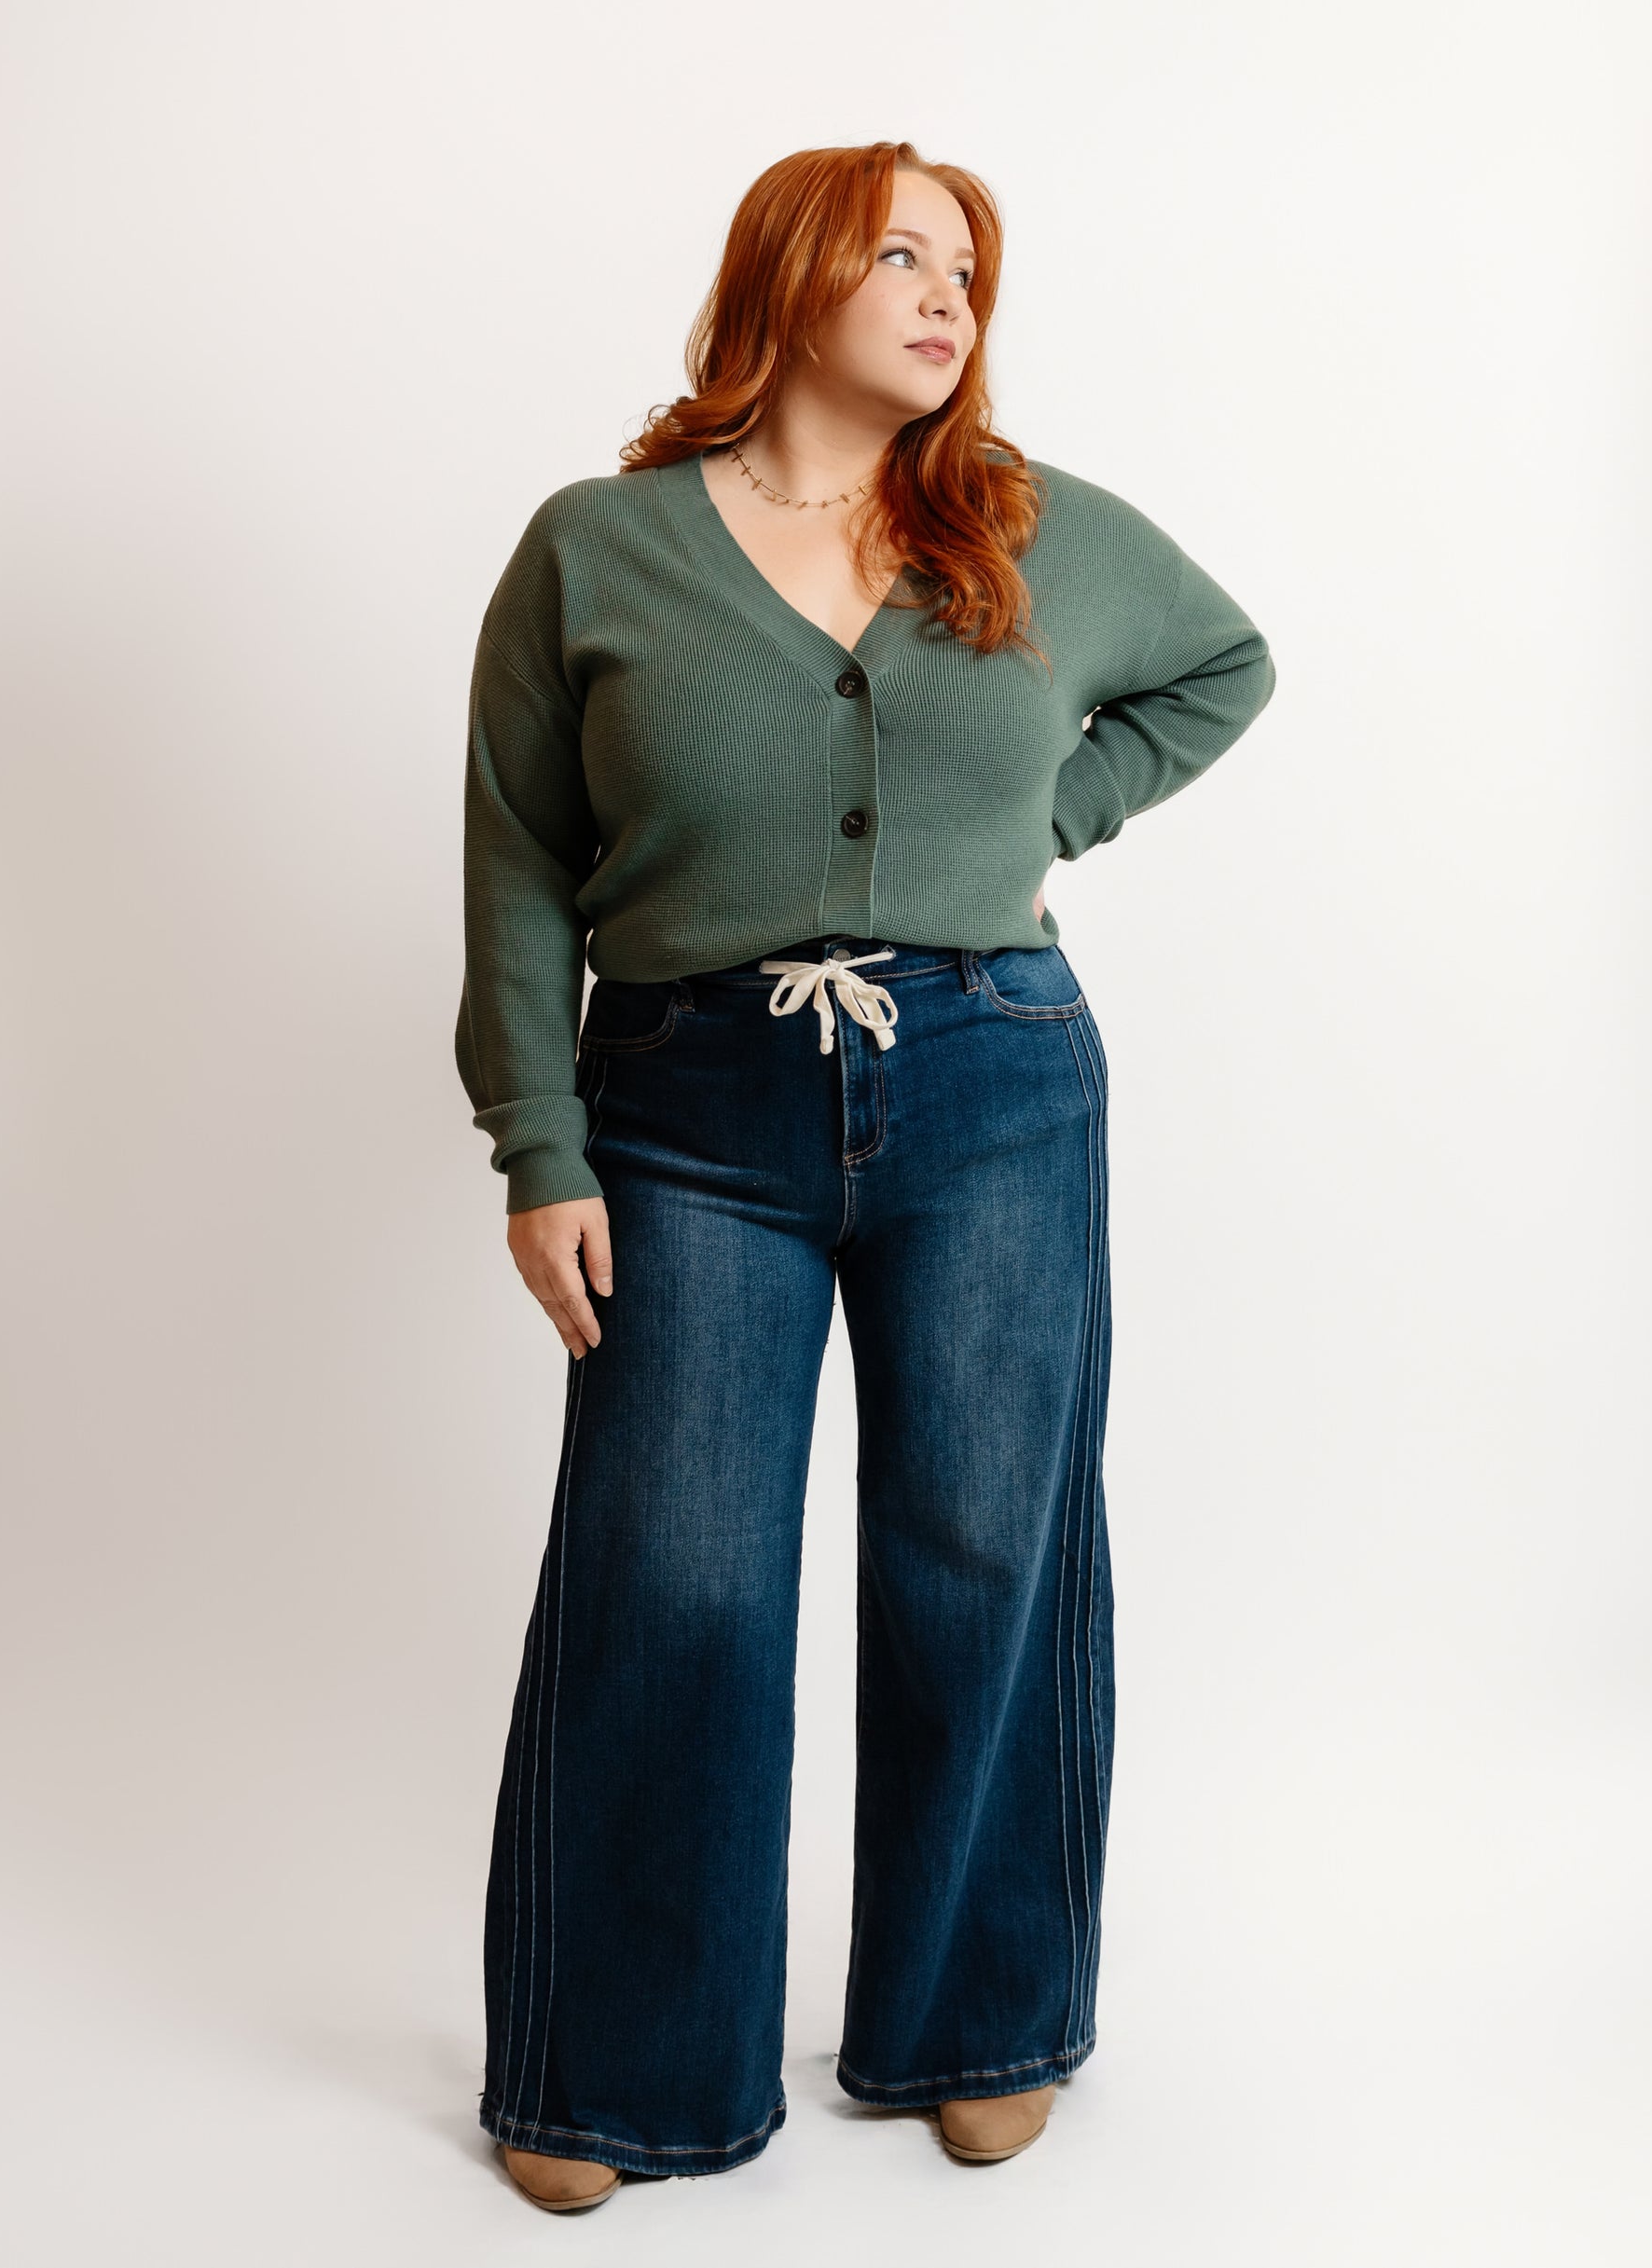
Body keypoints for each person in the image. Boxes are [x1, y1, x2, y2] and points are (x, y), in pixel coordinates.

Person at [454, 139, 1275, 2214]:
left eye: (967, 269)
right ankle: (616, 2062)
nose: (942, 296)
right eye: (899, 254)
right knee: (676, 1571)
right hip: (681, 1109)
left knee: (985, 1551)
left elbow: (1223, 665)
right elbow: (518, 859)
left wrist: (1031, 830)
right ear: (788, 273)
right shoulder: (597, 549)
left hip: (993, 1085)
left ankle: (977, 2022)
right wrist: (538, 1141)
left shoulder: (1025, 525)